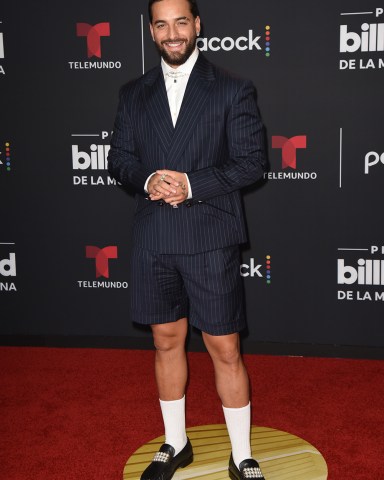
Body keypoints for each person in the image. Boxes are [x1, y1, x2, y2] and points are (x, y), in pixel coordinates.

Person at [108, 0, 267, 479]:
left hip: (210, 234)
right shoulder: (134, 92)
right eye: (162, 24)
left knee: (224, 348)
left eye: (181, 22)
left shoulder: (233, 89)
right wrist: (150, 177)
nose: (173, 33)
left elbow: (251, 162)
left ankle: (242, 455)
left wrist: (191, 183)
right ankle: (176, 444)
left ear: (197, 25)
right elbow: (119, 159)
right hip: (155, 235)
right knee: (165, 341)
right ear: (151, 31)